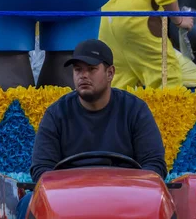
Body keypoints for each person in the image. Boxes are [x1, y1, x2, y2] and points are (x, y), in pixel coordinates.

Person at [16, 39, 167, 219]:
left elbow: (154, 164)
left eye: (91, 69)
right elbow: (41, 168)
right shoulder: (56, 114)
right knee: (27, 204)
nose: (83, 75)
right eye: (78, 69)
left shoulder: (135, 110)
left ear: (110, 73)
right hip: (68, 199)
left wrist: (128, 190)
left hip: (126, 198)